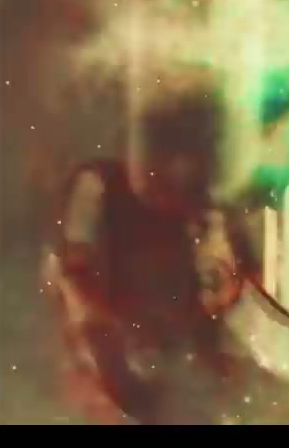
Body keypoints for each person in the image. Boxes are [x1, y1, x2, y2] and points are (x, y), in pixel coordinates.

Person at [40, 80, 252, 424]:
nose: (182, 170)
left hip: (165, 363)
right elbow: (74, 279)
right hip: (116, 359)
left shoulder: (193, 206)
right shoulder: (100, 186)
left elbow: (210, 294)